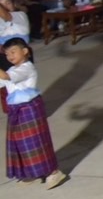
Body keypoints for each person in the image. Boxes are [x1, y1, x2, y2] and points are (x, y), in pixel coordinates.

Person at [1, 38, 67, 188]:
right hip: (15, 110)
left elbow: (5, 77)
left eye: (13, 52)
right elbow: (3, 80)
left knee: (37, 142)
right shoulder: (11, 70)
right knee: (21, 143)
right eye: (7, 54)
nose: (10, 56)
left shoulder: (27, 68)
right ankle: (33, 172)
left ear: (25, 51)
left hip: (29, 108)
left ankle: (53, 172)